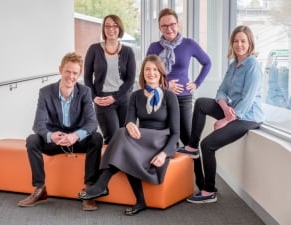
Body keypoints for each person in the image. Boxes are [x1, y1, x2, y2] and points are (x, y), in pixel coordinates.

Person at [78, 55, 180, 215]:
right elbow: (130, 122)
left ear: (161, 73)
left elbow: (176, 133)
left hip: (162, 140)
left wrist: (164, 153)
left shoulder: (170, 96)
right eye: (147, 69)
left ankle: (101, 183)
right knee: (124, 138)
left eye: (155, 69)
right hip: (143, 138)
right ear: (143, 73)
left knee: (122, 139)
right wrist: (130, 124)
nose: (151, 73)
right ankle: (139, 201)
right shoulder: (136, 96)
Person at [180, 25, 264, 203]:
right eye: (236, 41)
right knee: (202, 102)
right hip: (232, 110)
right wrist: (225, 107)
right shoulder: (234, 64)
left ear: (250, 43)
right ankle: (192, 146)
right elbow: (221, 91)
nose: (239, 44)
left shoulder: (253, 65)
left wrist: (226, 120)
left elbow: (248, 101)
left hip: (248, 117)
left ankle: (209, 191)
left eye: (243, 41)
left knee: (208, 144)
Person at [17, 52, 103, 211]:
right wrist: (51, 136)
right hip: (55, 142)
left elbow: (92, 123)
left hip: (76, 141)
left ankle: (89, 190)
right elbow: (38, 124)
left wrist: (75, 136)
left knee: (96, 138)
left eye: (75, 73)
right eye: (68, 71)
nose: (71, 76)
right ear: (60, 70)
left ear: (79, 74)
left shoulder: (84, 92)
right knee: (32, 140)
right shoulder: (46, 92)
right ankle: (39, 189)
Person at [146, 8, 211, 158]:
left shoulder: (189, 44)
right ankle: (171, 177)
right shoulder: (154, 47)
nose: (169, 29)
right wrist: (166, 85)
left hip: (183, 98)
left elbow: (207, 63)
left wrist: (196, 83)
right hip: (161, 96)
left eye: (172, 24)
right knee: (166, 138)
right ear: (159, 28)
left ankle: (199, 179)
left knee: (188, 139)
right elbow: (148, 73)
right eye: (164, 26)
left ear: (178, 24)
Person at [84, 14, 136, 145]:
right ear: (103, 28)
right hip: (103, 101)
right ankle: (108, 165)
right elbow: (87, 77)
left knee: (125, 137)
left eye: (115, 26)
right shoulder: (94, 49)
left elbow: (130, 80)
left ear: (120, 28)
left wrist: (115, 97)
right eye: (107, 26)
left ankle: (122, 165)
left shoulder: (128, 51)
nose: (111, 29)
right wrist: (94, 97)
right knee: (113, 138)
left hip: (124, 99)